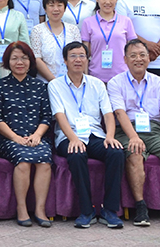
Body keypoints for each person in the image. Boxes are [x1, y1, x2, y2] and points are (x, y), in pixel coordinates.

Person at [107, 39, 160, 227]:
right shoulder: (115, 82)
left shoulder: (159, 82)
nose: (138, 59)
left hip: (156, 129)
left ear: (149, 58)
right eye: (133, 56)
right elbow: (119, 113)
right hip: (128, 129)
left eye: (142, 55)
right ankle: (140, 206)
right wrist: (133, 137)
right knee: (135, 154)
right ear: (125, 59)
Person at [48, 41, 125, 229]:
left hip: (94, 134)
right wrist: (73, 139)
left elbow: (108, 114)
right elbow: (59, 115)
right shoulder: (55, 85)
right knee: (76, 154)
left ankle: (109, 210)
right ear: (65, 60)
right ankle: (86, 210)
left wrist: (110, 136)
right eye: (73, 56)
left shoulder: (97, 84)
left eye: (82, 56)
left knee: (116, 152)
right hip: (68, 136)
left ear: (88, 60)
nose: (78, 60)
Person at [0, 41, 53, 227]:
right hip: (8, 138)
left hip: (36, 137)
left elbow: (46, 116)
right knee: (24, 160)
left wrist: (37, 135)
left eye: (24, 58)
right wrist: (15, 138)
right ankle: (21, 208)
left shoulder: (40, 86)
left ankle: (40, 210)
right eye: (15, 58)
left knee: (44, 160)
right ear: (7, 61)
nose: (19, 62)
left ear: (30, 61)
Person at [81, 0, 137, 84]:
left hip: (122, 76)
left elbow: (132, 50)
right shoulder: (88, 22)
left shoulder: (126, 21)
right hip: (96, 77)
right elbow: (85, 54)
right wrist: (86, 77)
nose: (107, 2)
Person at [32, 0, 81, 82]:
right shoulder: (37, 30)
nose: (56, 9)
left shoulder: (73, 29)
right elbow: (37, 59)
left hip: (71, 81)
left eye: (59, 5)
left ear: (65, 8)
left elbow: (79, 55)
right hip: (46, 82)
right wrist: (55, 81)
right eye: (51, 5)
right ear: (45, 9)